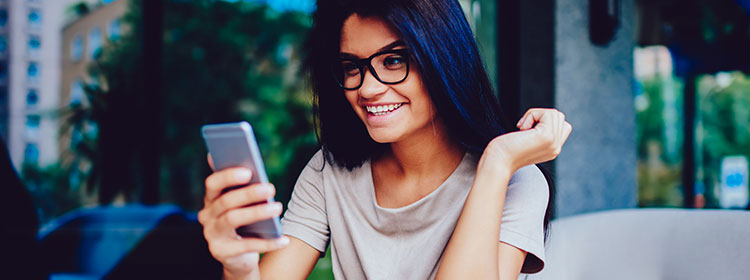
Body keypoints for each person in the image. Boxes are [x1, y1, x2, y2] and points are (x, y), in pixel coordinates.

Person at [198, 0, 572, 279]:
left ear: (445, 60)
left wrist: (497, 163)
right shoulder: (330, 171)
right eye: (352, 67)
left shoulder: (515, 180)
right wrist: (239, 266)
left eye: (394, 61)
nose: (369, 88)